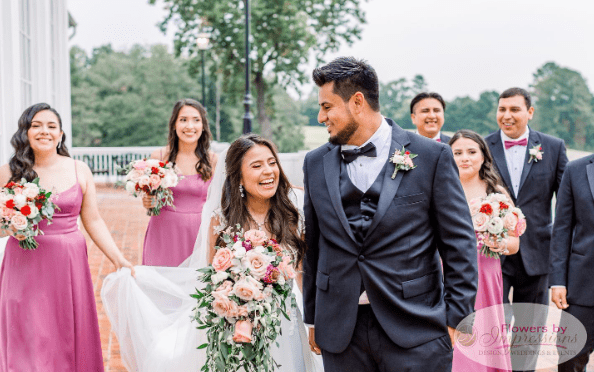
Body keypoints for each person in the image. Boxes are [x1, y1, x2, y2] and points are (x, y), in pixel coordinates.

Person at [303, 57, 478, 372]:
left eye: (327, 106)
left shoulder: (431, 156)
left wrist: (456, 319)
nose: (320, 116)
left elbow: (459, 244)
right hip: (341, 332)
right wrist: (314, 317)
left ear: (357, 102)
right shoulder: (315, 163)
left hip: (416, 328)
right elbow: (315, 245)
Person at [101, 134, 323, 372]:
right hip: (235, 329)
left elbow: (303, 274)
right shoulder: (222, 220)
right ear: (237, 176)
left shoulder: (293, 212)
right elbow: (213, 279)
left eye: (272, 162)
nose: (268, 171)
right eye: (256, 166)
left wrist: (313, 321)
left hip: (284, 325)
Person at [0, 103, 134, 371]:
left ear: (60, 134)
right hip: (24, 264)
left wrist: (119, 259)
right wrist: (11, 226)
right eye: (36, 125)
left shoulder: (79, 169)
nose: (44, 131)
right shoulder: (8, 172)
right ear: (24, 132)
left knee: (65, 335)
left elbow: (93, 219)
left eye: (51, 126)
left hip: (68, 265)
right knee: (27, 334)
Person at [485, 87, 567, 371]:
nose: (507, 116)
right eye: (502, 109)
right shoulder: (483, 147)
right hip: (493, 251)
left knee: (530, 331)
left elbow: (567, 203)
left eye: (514, 109)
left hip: (538, 253)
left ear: (529, 112)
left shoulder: (553, 147)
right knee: (492, 329)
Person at [450, 129, 518, 372]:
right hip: (445, 273)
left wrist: (499, 244)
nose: (464, 158)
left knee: (481, 334)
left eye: (471, 152)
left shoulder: (496, 193)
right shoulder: (443, 187)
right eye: (457, 153)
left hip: (485, 275)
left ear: (483, 157)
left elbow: (514, 242)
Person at [141, 98, 217, 266]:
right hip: (164, 231)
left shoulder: (213, 160)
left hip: (199, 233)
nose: (190, 126)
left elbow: (221, 202)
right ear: (174, 125)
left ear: (203, 126)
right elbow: (150, 201)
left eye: (196, 120)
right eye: (183, 120)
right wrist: (148, 201)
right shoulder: (159, 157)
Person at [550, 153, 594, 371]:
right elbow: (561, 229)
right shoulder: (575, 169)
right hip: (582, 285)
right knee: (570, 357)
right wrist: (558, 281)